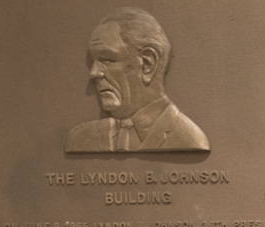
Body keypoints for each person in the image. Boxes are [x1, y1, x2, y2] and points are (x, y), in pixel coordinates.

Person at [65, 7, 209, 153]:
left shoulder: (189, 139)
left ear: (147, 64)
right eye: (93, 61)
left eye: (107, 59)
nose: (94, 73)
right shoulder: (80, 139)